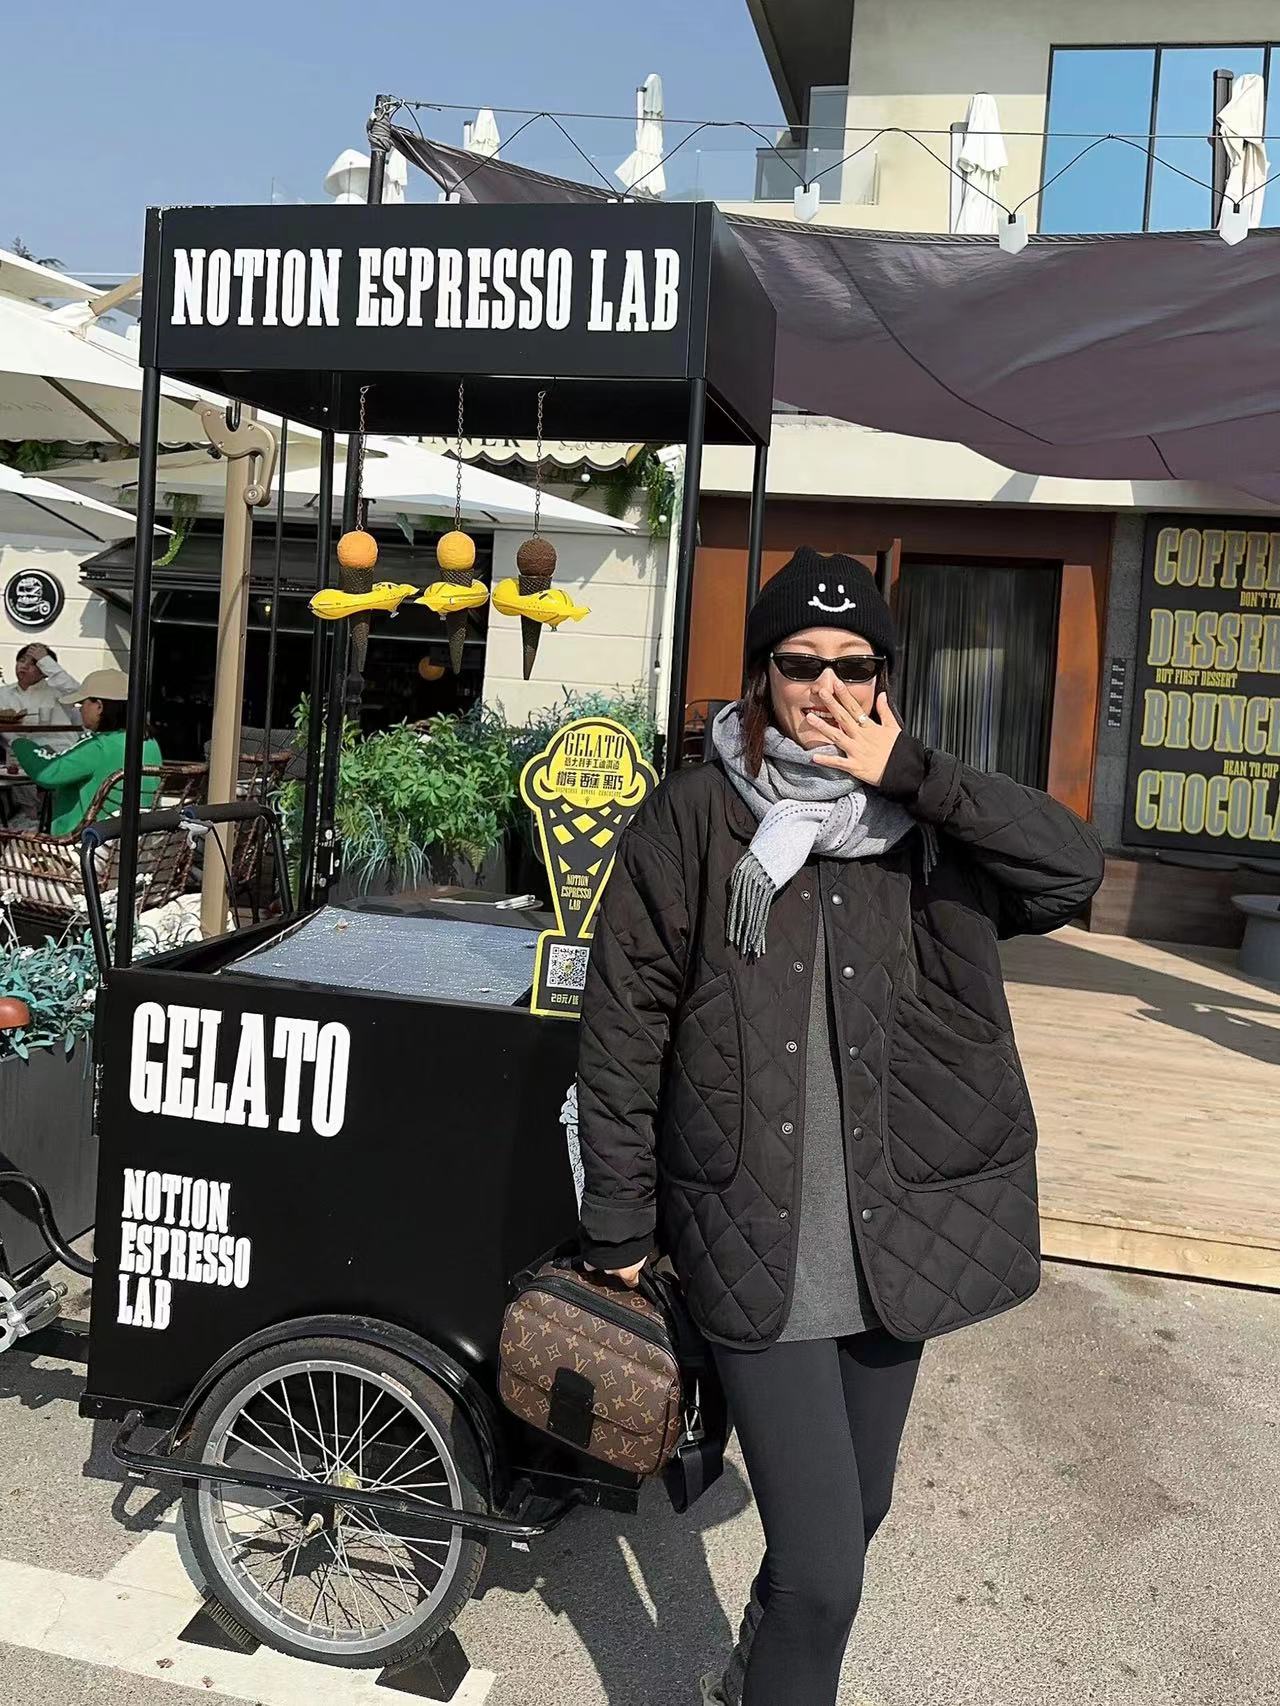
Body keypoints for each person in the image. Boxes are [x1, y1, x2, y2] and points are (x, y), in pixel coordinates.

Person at [575, 547, 1105, 1706]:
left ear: (883, 677)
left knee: (854, 1514)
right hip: (748, 1226)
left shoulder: (923, 819)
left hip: (889, 1229)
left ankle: (745, 1677)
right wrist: (617, 1213)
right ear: (759, 675)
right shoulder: (693, 816)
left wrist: (914, 772)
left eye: (852, 664)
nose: (826, 686)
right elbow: (623, 1022)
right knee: (821, 1574)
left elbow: (1071, 872)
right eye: (799, 662)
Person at [11, 667, 161, 835]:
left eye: (83, 703)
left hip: (87, 842)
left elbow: (48, 773)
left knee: (11, 842)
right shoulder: (149, 743)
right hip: (138, 840)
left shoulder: (98, 746)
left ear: (99, 706)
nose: (80, 709)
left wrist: (18, 741)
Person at [0, 642, 83, 752]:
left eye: (33, 664)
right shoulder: (3, 693)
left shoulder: (59, 691)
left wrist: (45, 660)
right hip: (15, 756)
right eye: (22, 660)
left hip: (59, 752)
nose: (24, 666)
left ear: (45, 671)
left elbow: (79, 693)